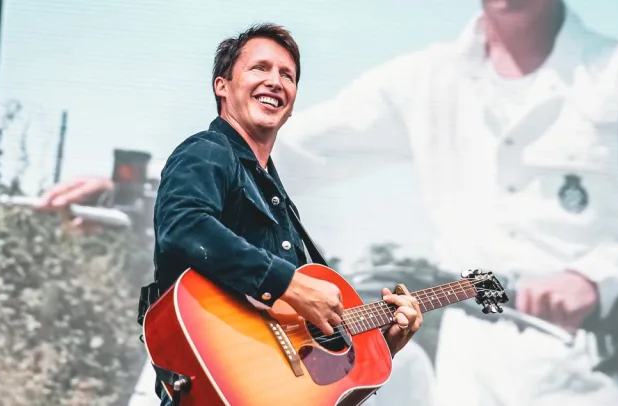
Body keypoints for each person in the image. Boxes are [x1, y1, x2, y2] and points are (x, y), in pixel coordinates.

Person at [265, 1, 618, 405]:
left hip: (593, 373)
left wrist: (595, 279)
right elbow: (285, 152)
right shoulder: (425, 79)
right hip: (470, 373)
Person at [151, 23, 430, 405]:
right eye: (260, 68)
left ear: (293, 102)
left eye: (287, 75)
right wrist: (291, 285)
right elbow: (183, 225)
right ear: (222, 86)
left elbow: (313, 379)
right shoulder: (208, 150)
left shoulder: (276, 196)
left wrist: (383, 346)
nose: (275, 81)